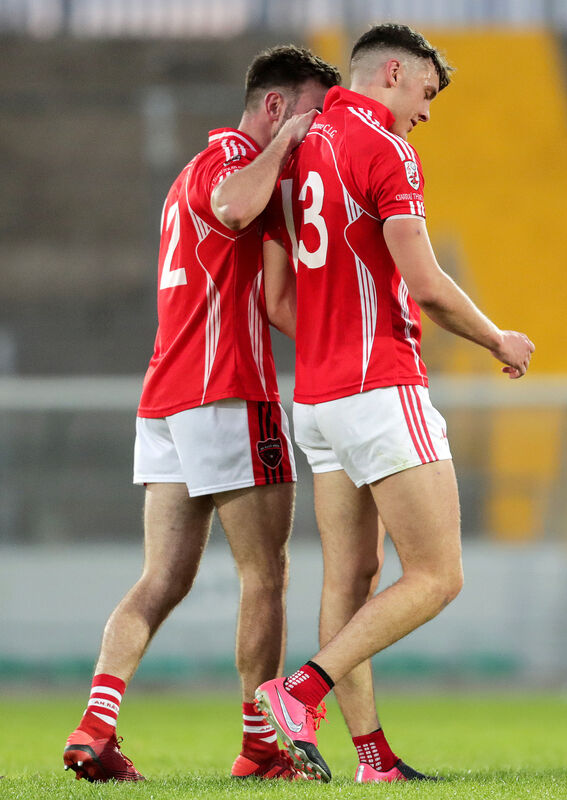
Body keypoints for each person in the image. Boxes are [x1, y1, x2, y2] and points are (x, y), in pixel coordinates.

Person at [258, 23, 535, 783]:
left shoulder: (296, 149)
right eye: (426, 91)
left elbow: (276, 294)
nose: (427, 110)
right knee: (438, 575)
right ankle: (300, 690)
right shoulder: (384, 150)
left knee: (348, 581)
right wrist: (496, 339)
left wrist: (327, 337)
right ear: (391, 73)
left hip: (315, 398)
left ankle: (373, 759)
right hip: (379, 388)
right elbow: (426, 284)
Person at [62, 45, 340, 783]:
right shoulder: (229, 162)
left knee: (162, 579)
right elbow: (236, 206)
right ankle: (260, 748)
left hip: (165, 398)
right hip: (225, 391)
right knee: (267, 574)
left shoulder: (194, 174)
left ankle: (97, 724)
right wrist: (286, 143)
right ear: (276, 106)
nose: (318, 129)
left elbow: (275, 297)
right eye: (313, 111)